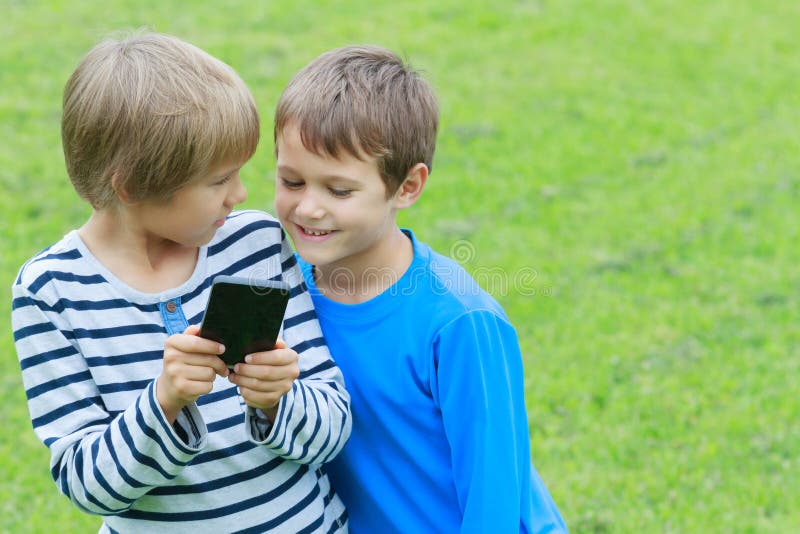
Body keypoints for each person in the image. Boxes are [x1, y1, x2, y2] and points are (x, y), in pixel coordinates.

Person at [11, 32, 350, 533]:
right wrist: (163, 403)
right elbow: (87, 485)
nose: (240, 193)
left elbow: (334, 425)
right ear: (131, 186)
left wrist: (278, 398)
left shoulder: (254, 244)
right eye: (218, 181)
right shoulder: (52, 291)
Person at [272, 45, 567, 533]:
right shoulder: (284, 294)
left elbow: (494, 494)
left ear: (407, 187)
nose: (307, 208)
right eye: (291, 180)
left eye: (338, 190)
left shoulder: (458, 320)